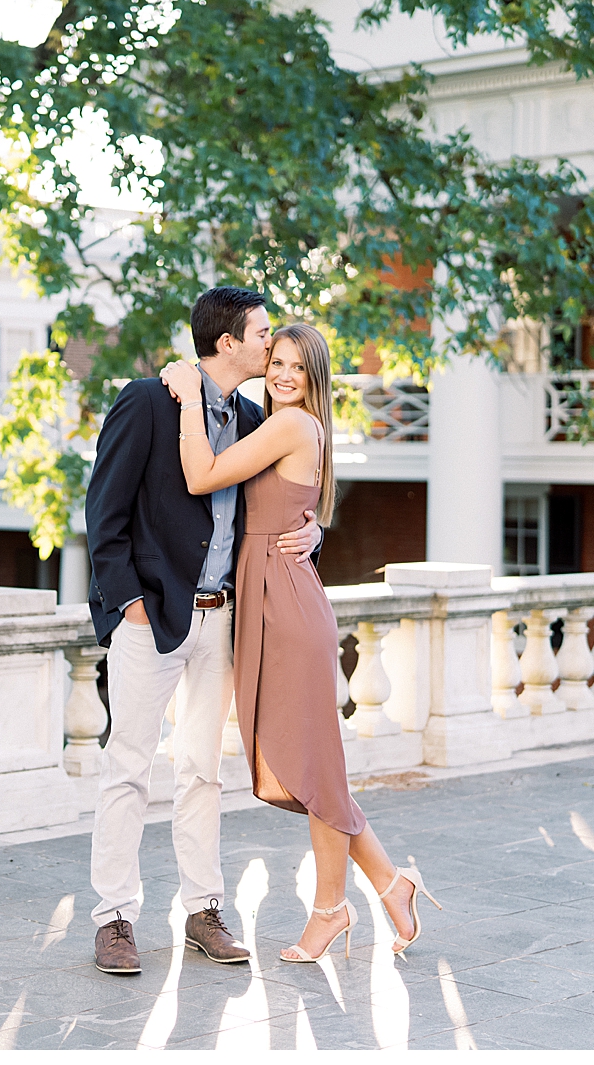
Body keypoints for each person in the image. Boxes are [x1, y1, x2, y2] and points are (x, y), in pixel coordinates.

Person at [159, 323, 441, 963]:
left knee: (313, 767)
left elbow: (201, 476)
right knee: (314, 765)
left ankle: (331, 912)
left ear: (316, 377)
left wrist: (184, 391)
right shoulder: (276, 421)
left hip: (283, 606)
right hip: (270, 596)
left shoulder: (290, 426)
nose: (283, 373)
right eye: (276, 360)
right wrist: (310, 529)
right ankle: (392, 885)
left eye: (297, 366)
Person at [85, 286, 322, 975]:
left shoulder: (256, 417)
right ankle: (115, 917)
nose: (270, 345)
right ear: (228, 344)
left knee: (202, 771)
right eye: (261, 333)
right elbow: (105, 511)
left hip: (223, 620)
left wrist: (317, 529)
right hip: (150, 616)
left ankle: (202, 909)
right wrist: (126, 599)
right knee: (128, 765)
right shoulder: (147, 401)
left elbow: (284, 501)